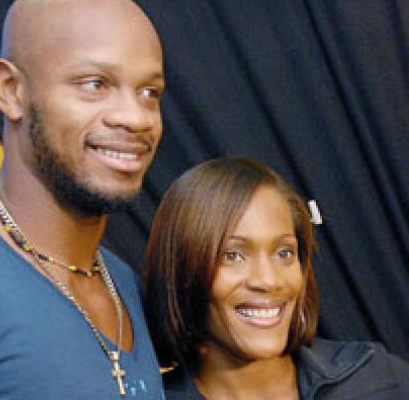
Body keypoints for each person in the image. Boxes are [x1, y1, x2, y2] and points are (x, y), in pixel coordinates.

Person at [0, 0, 166, 399]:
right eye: (95, 84)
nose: (135, 117)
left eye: (149, 93)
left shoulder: (124, 285)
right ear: (11, 91)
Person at [144, 157, 409, 399]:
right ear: (181, 270)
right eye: (233, 255)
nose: (269, 280)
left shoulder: (377, 380)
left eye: (284, 252)